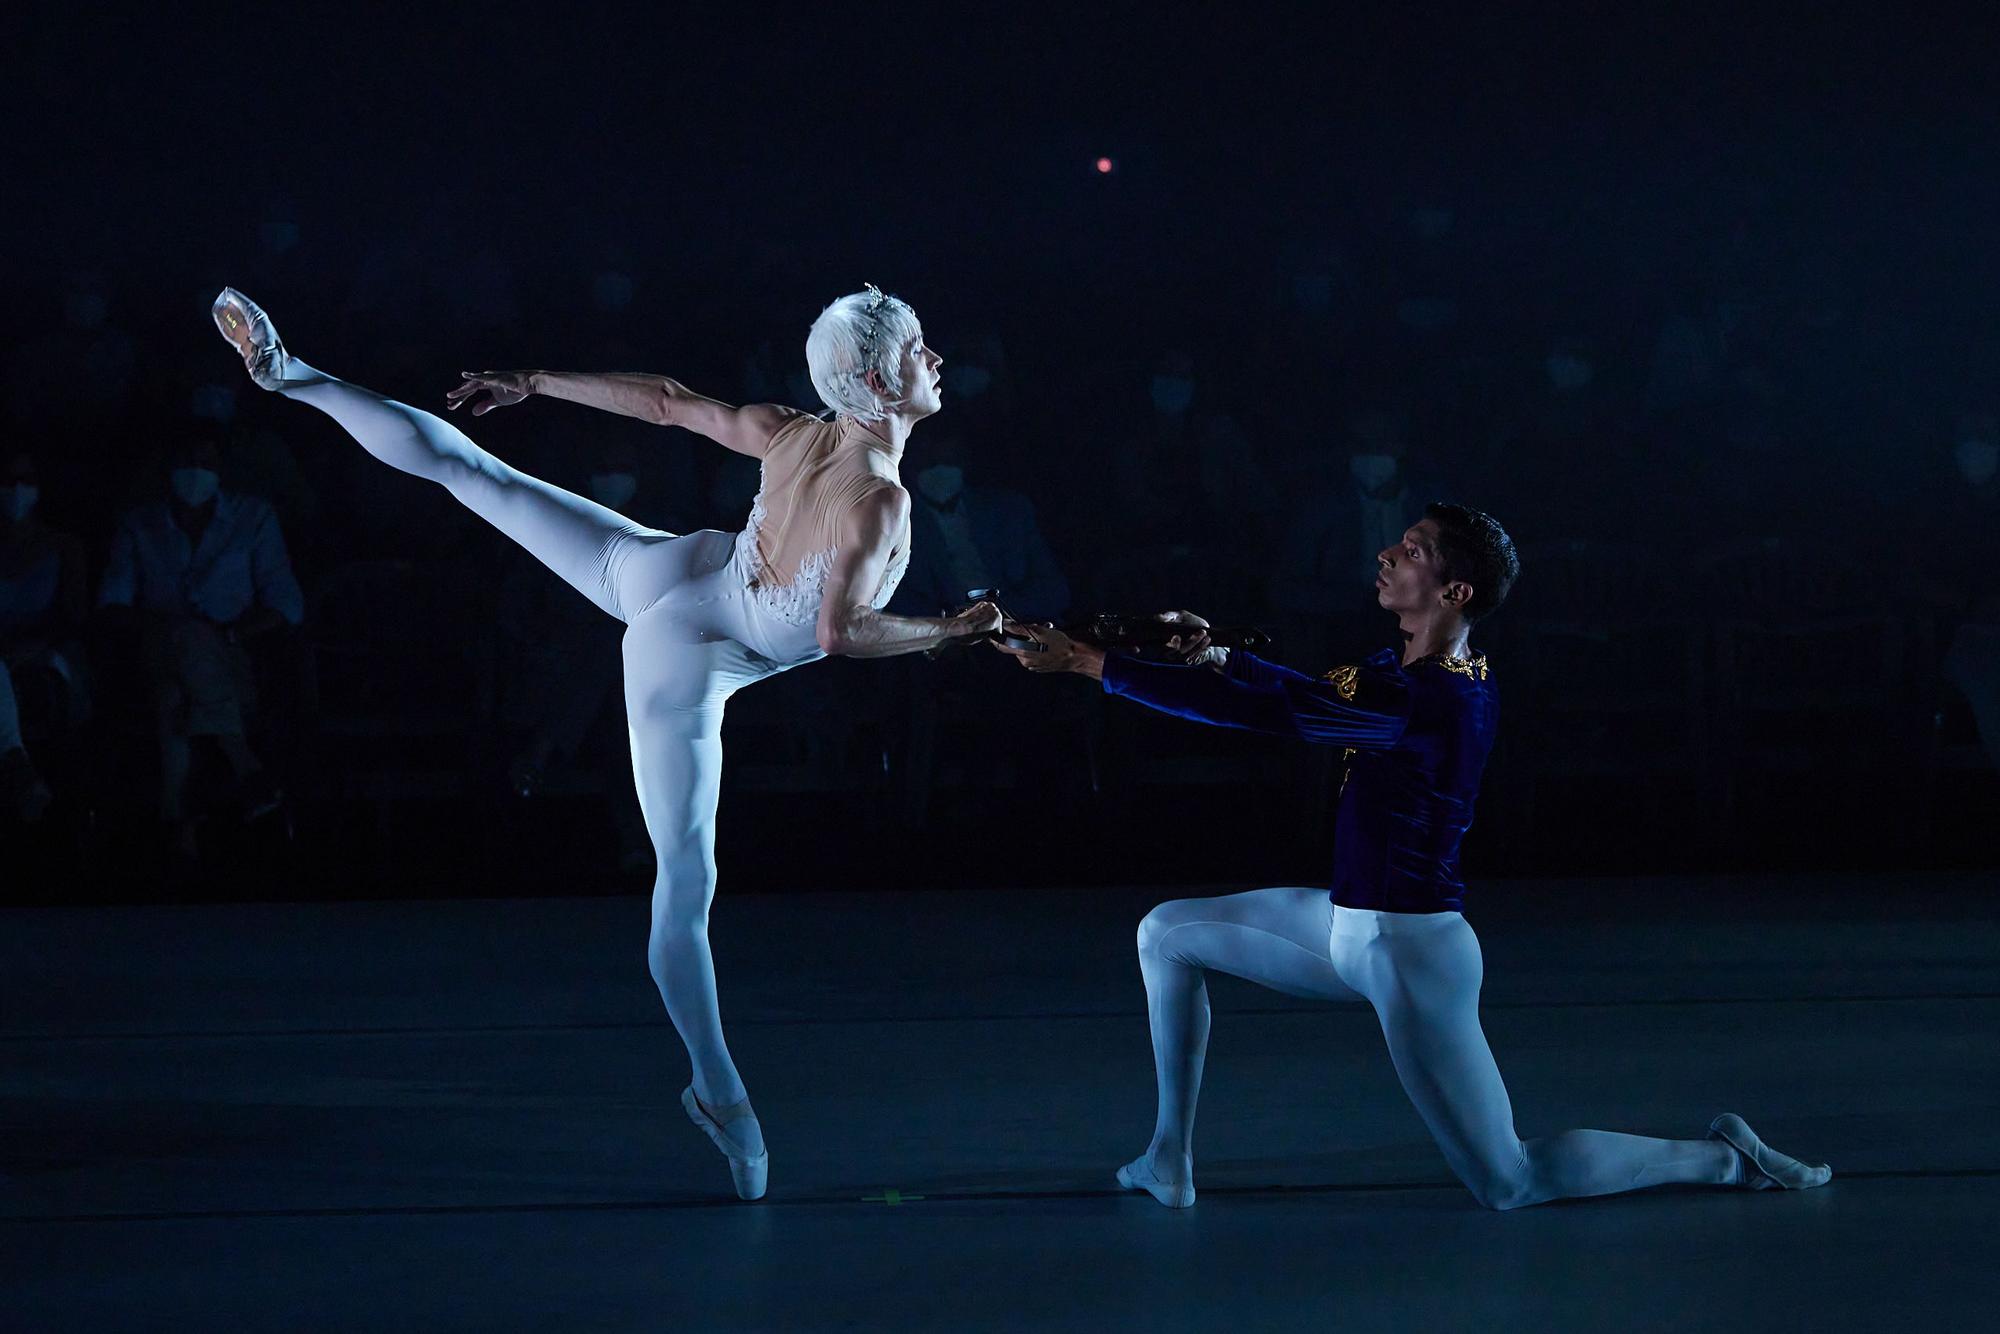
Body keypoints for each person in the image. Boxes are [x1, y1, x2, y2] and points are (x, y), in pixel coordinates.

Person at [210, 284, 1000, 1201]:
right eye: (918, 349)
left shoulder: (790, 431)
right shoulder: (879, 499)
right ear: (877, 381)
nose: (936, 360)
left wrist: (536, 380)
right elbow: (840, 631)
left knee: (479, 475)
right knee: (686, 882)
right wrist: (950, 632)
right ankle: (718, 1090)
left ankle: (294, 375)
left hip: (681, 567)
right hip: (690, 645)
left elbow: (666, 402)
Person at [998, 503, 1830, 1210]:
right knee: (1166, 933)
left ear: (1454, 591)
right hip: (1345, 930)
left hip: (1411, 952)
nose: (1387, 555)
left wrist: (1093, 664)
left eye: (1413, 551)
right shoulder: (1404, 669)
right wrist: (1214, 653)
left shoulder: (1431, 698)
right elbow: (1305, 691)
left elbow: (1276, 716)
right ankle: (1168, 1160)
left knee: (1510, 1181)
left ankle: (1723, 1159)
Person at [98, 439, 302, 852]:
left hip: (229, 659)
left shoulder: (253, 517)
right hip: (157, 652)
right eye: (185, 460)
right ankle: (243, 763)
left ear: (221, 468)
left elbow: (286, 603)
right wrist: (169, 628)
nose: (195, 470)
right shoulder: (139, 524)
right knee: (183, 638)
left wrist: (227, 635)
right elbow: (114, 602)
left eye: (205, 462)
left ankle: (179, 824)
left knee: (173, 697)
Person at [1, 452, 89, 822]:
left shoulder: (63, 546)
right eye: (8, 481)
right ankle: (17, 764)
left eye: (26, 480)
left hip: (46, 649)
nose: (16, 489)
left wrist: (35, 644)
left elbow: (75, 616)